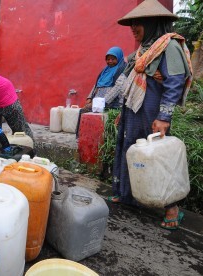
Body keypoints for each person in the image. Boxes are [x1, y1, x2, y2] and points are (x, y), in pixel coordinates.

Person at [110, 0, 192, 230]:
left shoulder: (169, 46)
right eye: (132, 24)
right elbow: (129, 76)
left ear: (152, 22)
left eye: (138, 23)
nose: (133, 28)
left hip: (154, 111)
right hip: (134, 109)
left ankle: (171, 207)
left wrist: (164, 116)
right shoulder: (142, 51)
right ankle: (128, 194)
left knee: (159, 157)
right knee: (131, 150)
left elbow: (175, 81)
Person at [76, 46, 127, 136]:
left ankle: (83, 136)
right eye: (108, 59)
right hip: (97, 102)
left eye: (113, 59)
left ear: (118, 58)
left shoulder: (122, 70)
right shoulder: (105, 70)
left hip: (112, 103)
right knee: (84, 111)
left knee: (84, 111)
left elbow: (118, 88)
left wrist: (101, 103)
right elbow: (97, 84)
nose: (110, 61)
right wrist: (90, 97)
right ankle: (81, 137)